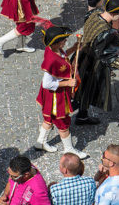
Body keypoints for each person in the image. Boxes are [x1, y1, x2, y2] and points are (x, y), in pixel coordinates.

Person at [72, 0, 119, 126]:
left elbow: (106, 28)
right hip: (93, 64)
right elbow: (109, 58)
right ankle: (59, 115)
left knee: (83, 91)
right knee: (83, 91)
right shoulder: (106, 35)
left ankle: (82, 116)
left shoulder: (95, 13)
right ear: (113, 13)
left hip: (83, 55)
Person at [34, 24, 88, 158]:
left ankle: (40, 142)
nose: (66, 41)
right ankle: (69, 149)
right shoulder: (51, 59)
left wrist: (73, 49)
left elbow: (64, 56)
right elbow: (47, 83)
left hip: (52, 95)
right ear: (57, 43)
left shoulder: (54, 50)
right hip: (55, 98)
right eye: (64, 40)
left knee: (49, 119)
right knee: (63, 124)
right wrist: (67, 82)